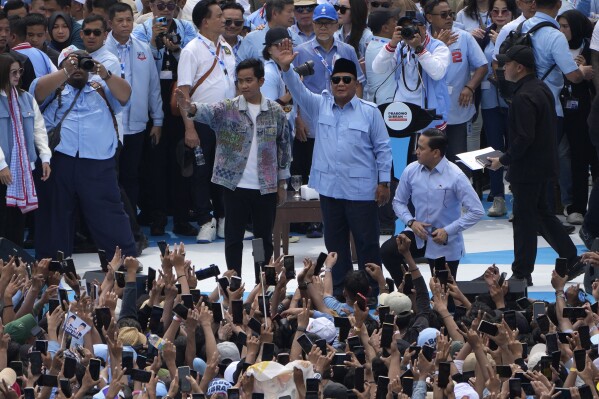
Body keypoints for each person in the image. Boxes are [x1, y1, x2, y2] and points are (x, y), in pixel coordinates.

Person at [272, 43, 393, 298]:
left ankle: (372, 291)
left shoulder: (370, 112)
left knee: (367, 244)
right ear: (330, 82)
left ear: (355, 83)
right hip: (330, 190)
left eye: (346, 79)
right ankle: (339, 291)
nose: (340, 83)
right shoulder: (319, 105)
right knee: (335, 245)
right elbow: (297, 89)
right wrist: (286, 68)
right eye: (335, 79)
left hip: (361, 191)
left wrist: (384, 183)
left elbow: (383, 149)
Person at [175, 58, 291, 276]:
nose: (245, 85)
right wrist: (189, 106)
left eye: (249, 80)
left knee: (262, 238)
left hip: (265, 186)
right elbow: (204, 110)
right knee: (233, 236)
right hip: (233, 185)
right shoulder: (228, 108)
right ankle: (233, 280)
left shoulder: (276, 111)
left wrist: (282, 182)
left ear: (261, 81)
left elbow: (284, 148)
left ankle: (262, 282)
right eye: (240, 81)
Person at [489, 45, 583, 286]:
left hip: (528, 170)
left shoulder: (522, 97)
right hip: (542, 166)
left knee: (524, 222)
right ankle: (572, 259)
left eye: (507, 64)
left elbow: (523, 138)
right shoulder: (540, 88)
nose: (503, 67)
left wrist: (503, 160)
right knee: (542, 215)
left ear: (519, 67)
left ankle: (522, 273)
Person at [30, 46, 136, 259]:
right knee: (54, 213)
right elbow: (37, 92)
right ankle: (52, 264)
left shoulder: (100, 87)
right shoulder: (53, 85)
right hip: (57, 161)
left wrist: (104, 73)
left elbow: (125, 95)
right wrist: (65, 72)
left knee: (108, 212)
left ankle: (121, 261)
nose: (78, 66)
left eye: (82, 62)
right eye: (72, 62)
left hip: (98, 162)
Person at [291, 3, 365, 239]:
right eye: (318, 23)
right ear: (312, 24)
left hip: (342, 118)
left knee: (339, 164)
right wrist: (298, 118)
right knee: (310, 169)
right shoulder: (301, 51)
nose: (322, 27)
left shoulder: (347, 51)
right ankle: (313, 222)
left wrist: (358, 113)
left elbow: (358, 83)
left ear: (336, 24)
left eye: (327, 23)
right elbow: (293, 87)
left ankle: (340, 216)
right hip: (312, 120)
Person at [380, 128, 484, 285]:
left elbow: (477, 211)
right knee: (388, 251)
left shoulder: (456, 176)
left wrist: (448, 230)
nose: (416, 152)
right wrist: (411, 222)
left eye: (421, 148)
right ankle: (411, 294)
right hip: (417, 234)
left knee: (444, 297)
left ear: (436, 153)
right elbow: (398, 202)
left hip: (444, 240)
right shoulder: (411, 170)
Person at [132, 0, 198, 237]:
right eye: (161, 5)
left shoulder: (186, 28)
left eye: (171, 5)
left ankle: (181, 218)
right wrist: (154, 41)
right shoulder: (140, 29)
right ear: (151, 6)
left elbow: (191, 57)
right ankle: (157, 217)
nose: (166, 10)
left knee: (181, 161)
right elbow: (140, 60)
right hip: (152, 99)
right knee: (154, 165)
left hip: (178, 98)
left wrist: (176, 49)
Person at [178, 0, 237, 243]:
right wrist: (189, 128)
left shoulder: (227, 47)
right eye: (220, 16)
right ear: (205, 21)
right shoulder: (191, 49)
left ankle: (225, 221)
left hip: (228, 120)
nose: (225, 20)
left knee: (226, 173)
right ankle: (205, 220)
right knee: (202, 173)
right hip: (202, 120)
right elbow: (183, 93)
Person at [106, 2, 163, 224]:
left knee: (132, 176)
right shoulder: (101, 50)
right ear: (110, 23)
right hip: (109, 127)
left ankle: (130, 224)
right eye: (120, 20)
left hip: (138, 125)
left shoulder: (143, 48)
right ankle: (111, 223)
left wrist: (158, 120)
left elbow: (153, 88)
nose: (125, 24)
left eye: (129, 20)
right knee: (111, 177)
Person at [424, 0, 487, 171]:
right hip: (430, 112)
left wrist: (470, 87)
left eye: (450, 14)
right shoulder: (422, 39)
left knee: (457, 159)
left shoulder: (464, 37)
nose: (449, 18)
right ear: (429, 17)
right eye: (443, 15)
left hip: (457, 109)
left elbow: (482, 66)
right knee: (432, 159)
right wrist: (439, 45)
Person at [0, 53, 51, 247]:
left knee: (17, 223)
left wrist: (45, 157)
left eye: (19, 71)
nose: (17, 76)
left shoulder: (26, 98)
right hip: (2, 170)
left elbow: (39, 129)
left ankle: (16, 266)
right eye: (13, 72)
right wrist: (1, 165)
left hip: (23, 170)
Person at [372, 12, 450, 131]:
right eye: (405, 27)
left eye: (412, 26)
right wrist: (392, 44)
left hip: (428, 112)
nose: (409, 30)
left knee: (427, 148)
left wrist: (419, 49)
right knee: (402, 149)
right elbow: (378, 68)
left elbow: (437, 73)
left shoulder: (438, 47)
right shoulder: (400, 47)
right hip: (402, 112)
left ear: (423, 28)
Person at [557, 10, 598, 226]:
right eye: (560, 26)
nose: (562, 31)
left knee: (590, 159)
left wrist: (586, 73)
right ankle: (575, 205)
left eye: (566, 26)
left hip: (588, 111)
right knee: (572, 158)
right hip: (565, 110)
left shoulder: (591, 47)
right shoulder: (557, 46)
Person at [478, 0, 517, 217]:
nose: (500, 15)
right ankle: (498, 197)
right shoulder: (483, 36)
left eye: (505, 11)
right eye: (495, 11)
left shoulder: (518, 33)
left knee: (514, 146)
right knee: (493, 147)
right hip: (489, 100)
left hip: (512, 101)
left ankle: (517, 197)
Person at [364, 8, 400, 104]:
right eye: (394, 21)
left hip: (382, 100)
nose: (397, 24)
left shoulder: (373, 44)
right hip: (385, 103)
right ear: (385, 28)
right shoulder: (380, 48)